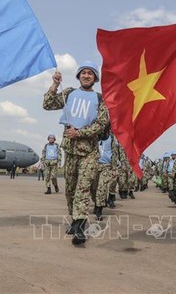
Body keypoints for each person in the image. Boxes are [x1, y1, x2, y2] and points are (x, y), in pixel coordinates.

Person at [42, 61, 109, 245]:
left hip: (89, 152)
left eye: (90, 73)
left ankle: (80, 226)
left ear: (95, 78)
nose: (86, 75)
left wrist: (80, 133)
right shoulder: (69, 92)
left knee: (83, 188)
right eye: (83, 72)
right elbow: (47, 104)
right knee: (70, 189)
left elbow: (101, 123)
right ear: (79, 76)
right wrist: (55, 84)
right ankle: (74, 219)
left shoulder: (100, 98)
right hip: (70, 150)